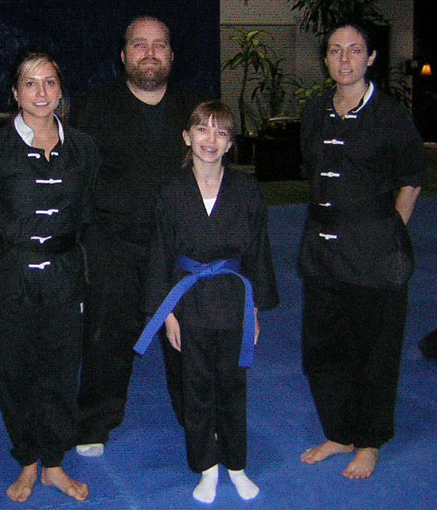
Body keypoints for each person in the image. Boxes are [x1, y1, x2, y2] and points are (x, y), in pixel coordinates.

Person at [0, 50, 100, 502]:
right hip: (10, 277)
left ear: (60, 91)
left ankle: (53, 464)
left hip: (65, 277)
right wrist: (16, 236)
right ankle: (28, 462)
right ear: (15, 93)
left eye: (50, 82)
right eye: (31, 83)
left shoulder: (84, 147)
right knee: (14, 373)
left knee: (61, 371)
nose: (41, 92)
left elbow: (87, 211)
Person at [298, 23, 427, 479]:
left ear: (370, 58)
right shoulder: (314, 112)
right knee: (322, 349)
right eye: (335, 50)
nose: (345, 59)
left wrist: (388, 233)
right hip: (321, 250)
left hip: (374, 252)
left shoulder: (391, 115)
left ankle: (369, 440)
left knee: (374, 351)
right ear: (326, 59)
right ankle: (340, 432)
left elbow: (412, 180)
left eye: (355, 50)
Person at [70, 15, 202, 457]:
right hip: (111, 241)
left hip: (179, 245)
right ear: (124, 54)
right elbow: (75, 176)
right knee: (106, 334)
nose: (150, 53)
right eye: (140, 45)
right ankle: (95, 421)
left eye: (159, 45)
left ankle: (198, 416)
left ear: (171, 55)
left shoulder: (195, 107)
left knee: (189, 334)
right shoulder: (92, 107)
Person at [134, 101, 279, 503]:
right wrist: (168, 315)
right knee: (195, 388)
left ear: (231, 143)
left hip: (233, 300)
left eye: (221, 132)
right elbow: (160, 254)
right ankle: (207, 467)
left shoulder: (246, 190)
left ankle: (236, 464)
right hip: (188, 302)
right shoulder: (171, 192)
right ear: (187, 137)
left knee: (233, 386)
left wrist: (254, 310)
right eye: (202, 130)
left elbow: (258, 251)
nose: (210, 140)